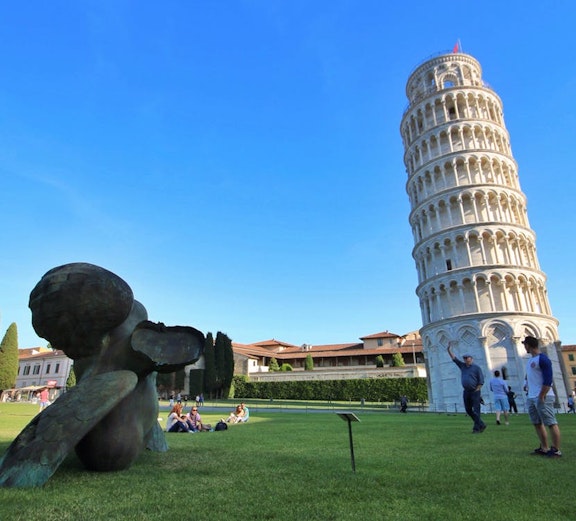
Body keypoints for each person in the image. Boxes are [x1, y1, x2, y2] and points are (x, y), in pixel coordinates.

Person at [522, 335, 562, 457]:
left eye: (525, 345)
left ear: (528, 345)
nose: (524, 347)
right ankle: (544, 448)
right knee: (537, 423)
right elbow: (529, 376)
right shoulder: (530, 360)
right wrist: (526, 385)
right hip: (532, 396)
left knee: (551, 422)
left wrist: (541, 396)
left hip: (543, 396)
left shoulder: (543, 359)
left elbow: (548, 380)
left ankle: (556, 450)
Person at [447, 345, 486, 433]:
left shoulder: (476, 368)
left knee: (476, 410)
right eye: (464, 358)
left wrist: (477, 389)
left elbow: (481, 380)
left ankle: (476, 429)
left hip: (475, 391)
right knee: (468, 410)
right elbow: (454, 359)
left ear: (471, 359)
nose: (465, 359)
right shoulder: (463, 366)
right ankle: (481, 424)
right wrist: (449, 350)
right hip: (466, 391)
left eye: (467, 358)